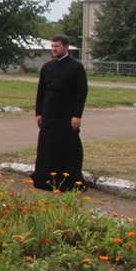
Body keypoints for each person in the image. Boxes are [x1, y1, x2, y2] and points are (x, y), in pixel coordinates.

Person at [32, 34, 88, 192]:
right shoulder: (47, 67)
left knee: (69, 145)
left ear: (66, 47)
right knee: (47, 146)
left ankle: (69, 180)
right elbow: (41, 91)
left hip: (67, 114)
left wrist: (77, 115)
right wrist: (39, 113)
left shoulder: (76, 67)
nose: (54, 49)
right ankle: (45, 178)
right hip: (49, 113)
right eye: (52, 46)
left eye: (57, 46)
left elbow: (81, 92)